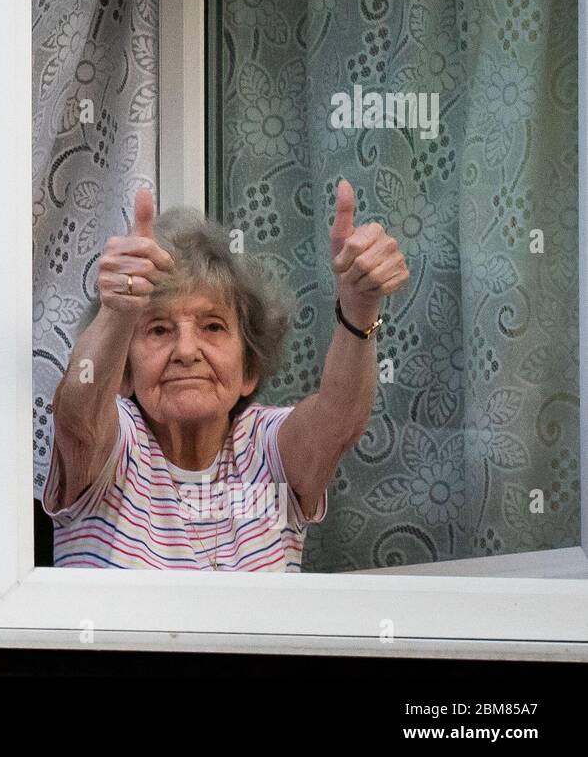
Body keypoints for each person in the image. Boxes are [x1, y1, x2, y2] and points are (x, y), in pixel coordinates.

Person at [44, 180, 408, 570]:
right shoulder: (118, 447)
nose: (186, 351)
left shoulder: (266, 450)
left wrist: (359, 308)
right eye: (159, 330)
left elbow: (339, 421)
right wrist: (118, 310)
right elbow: (78, 420)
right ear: (126, 374)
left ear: (249, 368)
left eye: (213, 327)